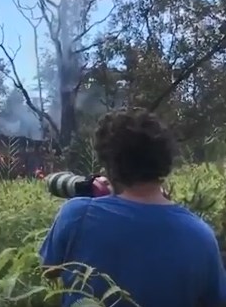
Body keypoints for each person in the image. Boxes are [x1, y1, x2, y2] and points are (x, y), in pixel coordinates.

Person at [39, 107, 226, 307]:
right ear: (165, 162)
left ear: (111, 165)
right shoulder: (201, 235)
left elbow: (48, 271)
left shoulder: (77, 214)